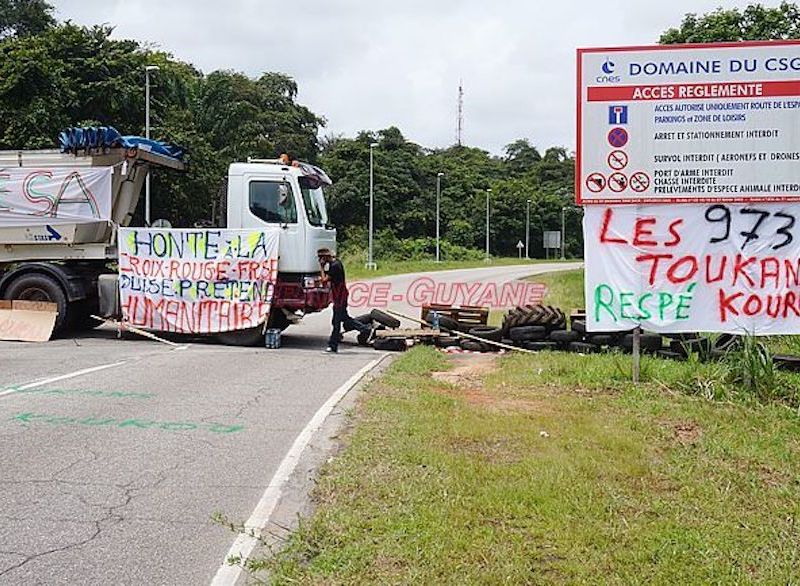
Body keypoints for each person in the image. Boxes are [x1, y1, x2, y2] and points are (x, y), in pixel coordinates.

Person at [318, 248, 372, 353]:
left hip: (340, 297)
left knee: (337, 322)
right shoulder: (337, 263)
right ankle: (365, 329)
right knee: (343, 319)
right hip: (340, 295)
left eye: (321, 258)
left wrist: (321, 267)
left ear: (325, 257)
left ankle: (333, 346)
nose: (320, 260)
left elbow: (324, 280)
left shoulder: (334, 266)